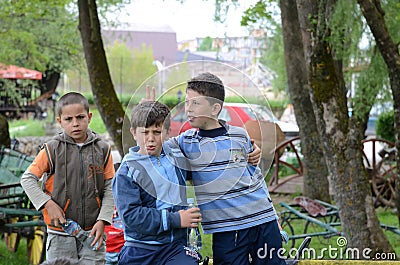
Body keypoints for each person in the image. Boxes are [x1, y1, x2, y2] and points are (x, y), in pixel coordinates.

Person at [163, 72, 286, 264]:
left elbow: (255, 177)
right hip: (226, 230)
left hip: (263, 220)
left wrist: (273, 217)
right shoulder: (186, 141)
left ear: (215, 108)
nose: (188, 109)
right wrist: (149, 113)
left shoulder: (239, 135)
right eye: (187, 102)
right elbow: (153, 144)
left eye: (196, 103)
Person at [21, 92, 115, 265]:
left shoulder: (103, 149)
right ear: (60, 121)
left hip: (93, 233)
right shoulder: (52, 149)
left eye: (80, 117)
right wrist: (48, 204)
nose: (75, 123)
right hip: (60, 234)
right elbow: (27, 179)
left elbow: (110, 188)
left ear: (89, 116)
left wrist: (103, 220)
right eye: (68, 119)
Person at [112, 100, 202, 265]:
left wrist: (249, 151)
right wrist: (176, 219)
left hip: (175, 247)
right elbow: (131, 216)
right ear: (133, 133)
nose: (151, 139)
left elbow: (205, 160)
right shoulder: (127, 172)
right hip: (140, 249)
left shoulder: (176, 156)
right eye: (145, 132)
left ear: (167, 132)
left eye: (157, 132)